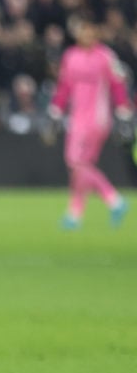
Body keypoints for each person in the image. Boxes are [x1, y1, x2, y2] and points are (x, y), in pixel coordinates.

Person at [47, 15, 133, 230]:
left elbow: (117, 84)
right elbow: (64, 86)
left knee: (76, 162)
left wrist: (123, 111)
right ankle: (75, 214)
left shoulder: (105, 56)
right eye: (82, 31)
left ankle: (114, 199)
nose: (86, 35)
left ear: (96, 33)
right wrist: (56, 110)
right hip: (77, 118)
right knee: (81, 167)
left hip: (97, 118)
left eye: (89, 31)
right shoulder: (71, 56)